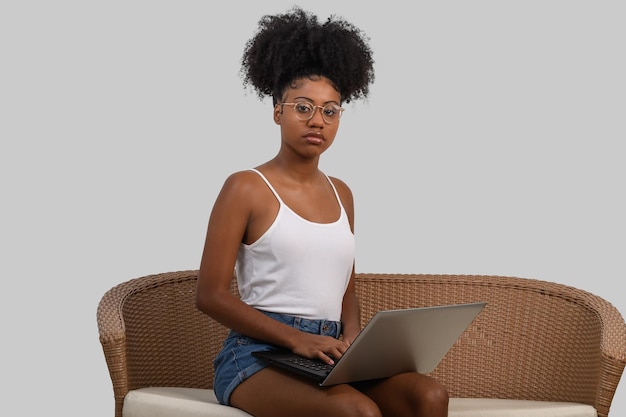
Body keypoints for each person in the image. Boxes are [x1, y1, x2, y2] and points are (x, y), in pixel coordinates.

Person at [196, 6, 449, 417]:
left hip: (330, 352)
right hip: (256, 355)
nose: (318, 121)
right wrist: (296, 340)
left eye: (330, 110)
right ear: (277, 110)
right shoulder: (245, 187)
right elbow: (209, 296)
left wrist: (352, 337)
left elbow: (345, 288)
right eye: (303, 107)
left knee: (428, 396)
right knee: (357, 411)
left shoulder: (342, 193)